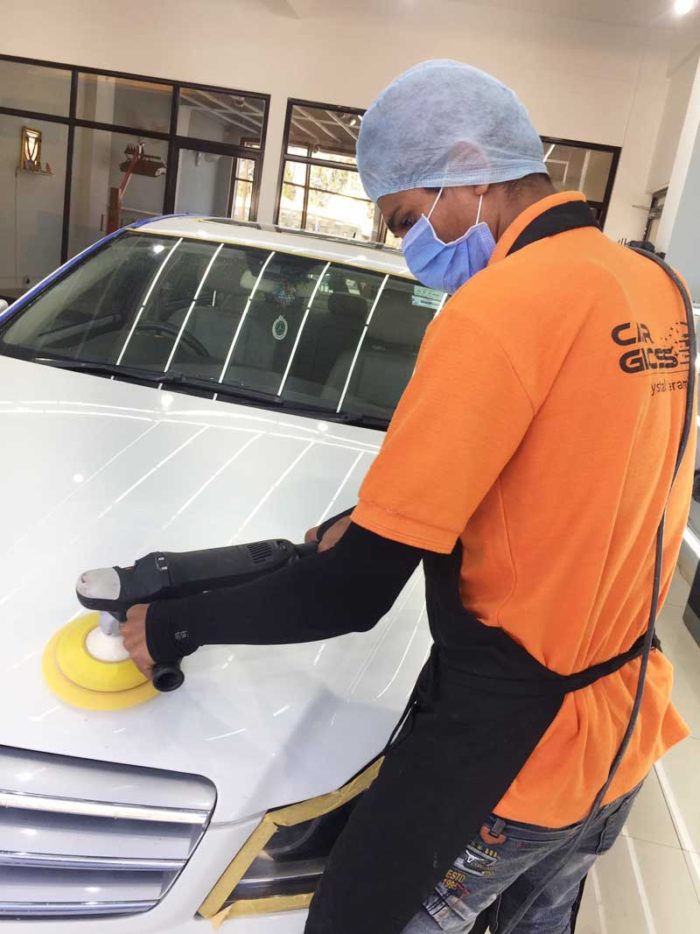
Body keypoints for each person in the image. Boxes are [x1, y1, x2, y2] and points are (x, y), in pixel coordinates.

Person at [120, 60, 695, 933]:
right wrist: (391, 516)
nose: (407, 246)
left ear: (468, 169)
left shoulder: (498, 310)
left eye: (404, 218)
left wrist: (172, 625)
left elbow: (349, 595)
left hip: (515, 760)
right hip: (622, 739)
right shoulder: (654, 286)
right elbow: (591, 474)